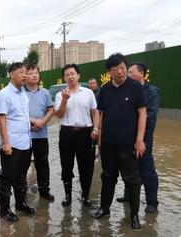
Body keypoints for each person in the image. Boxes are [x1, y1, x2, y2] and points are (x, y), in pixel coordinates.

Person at [92, 53, 147, 230]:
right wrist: (100, 138)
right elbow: (101, 114)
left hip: (129, 143)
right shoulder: (105, 90)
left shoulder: (135, 87)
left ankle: (134, 216)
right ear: (109, 72)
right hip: (108, 143)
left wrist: (139, 140)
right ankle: (104, 208)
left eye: (123, 68)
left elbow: (142, 114)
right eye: (116, 69)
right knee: (108, 177)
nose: (121, 72)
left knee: (132, 180)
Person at [115, 62, 160, 213]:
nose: (127, 74)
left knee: (147, 169)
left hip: (143, 138)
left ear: (141, 73)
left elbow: (150, 116)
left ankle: (152, 202)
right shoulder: (128, 90)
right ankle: (129, 195)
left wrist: (139, 137)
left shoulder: (151, 91)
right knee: (129, 168)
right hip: (127, 137)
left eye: (130, 72)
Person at [55, 64, 99, 207]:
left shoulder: (88, 93)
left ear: (78, 75)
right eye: (67, 74)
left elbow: (95, 112)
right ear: (64, 78)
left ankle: (85, 196)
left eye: (72, 73)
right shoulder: (59, 95)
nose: (70, 76)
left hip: (86, 133)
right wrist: (64, 99)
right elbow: (59, 115)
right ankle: (68, 196)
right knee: (66, 166)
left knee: (86, 167)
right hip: (67, 133)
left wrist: (96, 128)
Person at [0, 62, 35, 223]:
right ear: (11, 74)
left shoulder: (23, 93)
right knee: (7, 177)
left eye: (26, 72)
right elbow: (1, 120)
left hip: (26, 143)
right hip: (12, 145)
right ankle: (4, 210)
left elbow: (23, 117)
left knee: (21, 177)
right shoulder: (5, 94)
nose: (24, 75)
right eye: (21, 72)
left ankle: (20, 204)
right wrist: (6, 143)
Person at [24, 65, 55, 201]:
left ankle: (44, 190)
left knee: (42, 163)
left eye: (36, 73)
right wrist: (34, 122)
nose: (34, 75)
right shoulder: (20, 92)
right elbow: (19, 112)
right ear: (25, 76)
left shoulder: (45, 93)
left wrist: (42, 122)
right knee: (23, 164)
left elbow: (50, 110)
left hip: (41, 134)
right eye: (30, 73)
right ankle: (22, 190)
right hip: (25, 135)